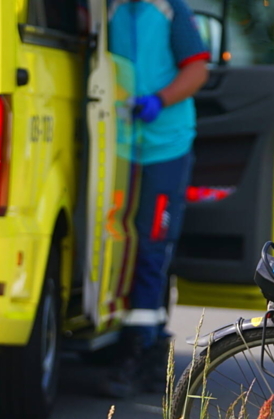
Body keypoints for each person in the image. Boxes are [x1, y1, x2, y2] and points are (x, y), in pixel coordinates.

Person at [106, 0, 210, 396]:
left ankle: (138, 354)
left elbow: (197, 71)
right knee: (118, 240)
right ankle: (132, 343)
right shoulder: (107, 9)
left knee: (150, 245)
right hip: (116, 142)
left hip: (164, 144)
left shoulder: (170, 10)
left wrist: (158, 100)